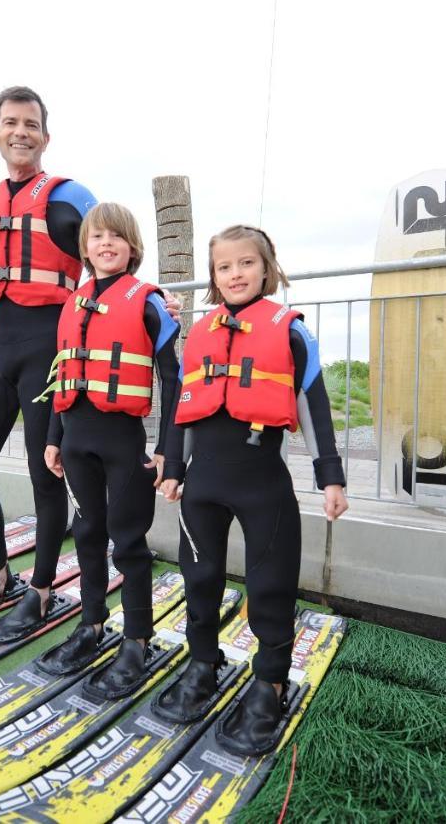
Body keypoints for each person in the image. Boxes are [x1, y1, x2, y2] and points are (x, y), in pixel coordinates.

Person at [0, 88, 181, 637]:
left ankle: (43, 587)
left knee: (44, 474)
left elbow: (110, 248)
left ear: (45, 137)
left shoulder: (69, 194)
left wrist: (153, 298)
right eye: (10, 123)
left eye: (30, 123)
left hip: (50, 348)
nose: (20, 131)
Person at [157, 224, 348, 754]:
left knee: (270, 584)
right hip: (203, 486)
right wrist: (173, 466)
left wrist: (329, 475)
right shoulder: (199, 335)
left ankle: (270, 680)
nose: (235, 274)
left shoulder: (290, 330)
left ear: (266, 268)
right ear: (214, 276)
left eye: (245, 264)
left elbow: (314, 404)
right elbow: (182, 411)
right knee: (199, 579)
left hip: (264, 484)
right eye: (224, 267)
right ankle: (203, 662)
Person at [37, 203, 181, 692]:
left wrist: (168, 449)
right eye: (97, 237)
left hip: (123, 441)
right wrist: (55, 439)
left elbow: (171, 377)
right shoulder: (72, 303)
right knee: (87, 533)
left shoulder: (148, 302)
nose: (105, 244)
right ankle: (91, 624)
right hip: (76, 440)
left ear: (132, 247)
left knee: (129, 541)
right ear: (85, 248)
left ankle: (138, 638)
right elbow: (62, 373)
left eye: (116, 237)